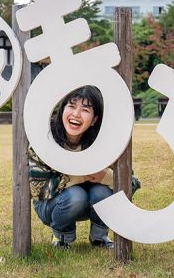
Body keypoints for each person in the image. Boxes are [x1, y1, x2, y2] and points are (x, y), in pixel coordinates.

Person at [29, 85, 116, 249]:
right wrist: (81, 176)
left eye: (85, 109)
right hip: (51, 204)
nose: (76, 114)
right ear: (62, 109)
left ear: (94, 120)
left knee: (102, 192)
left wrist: (105, 176)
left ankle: (100, 237)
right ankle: (62, 239)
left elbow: (131, 182)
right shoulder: (44, 139)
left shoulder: (101, 143)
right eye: (71, 106)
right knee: (76, 195)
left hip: (88, 202)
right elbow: (38, 189)